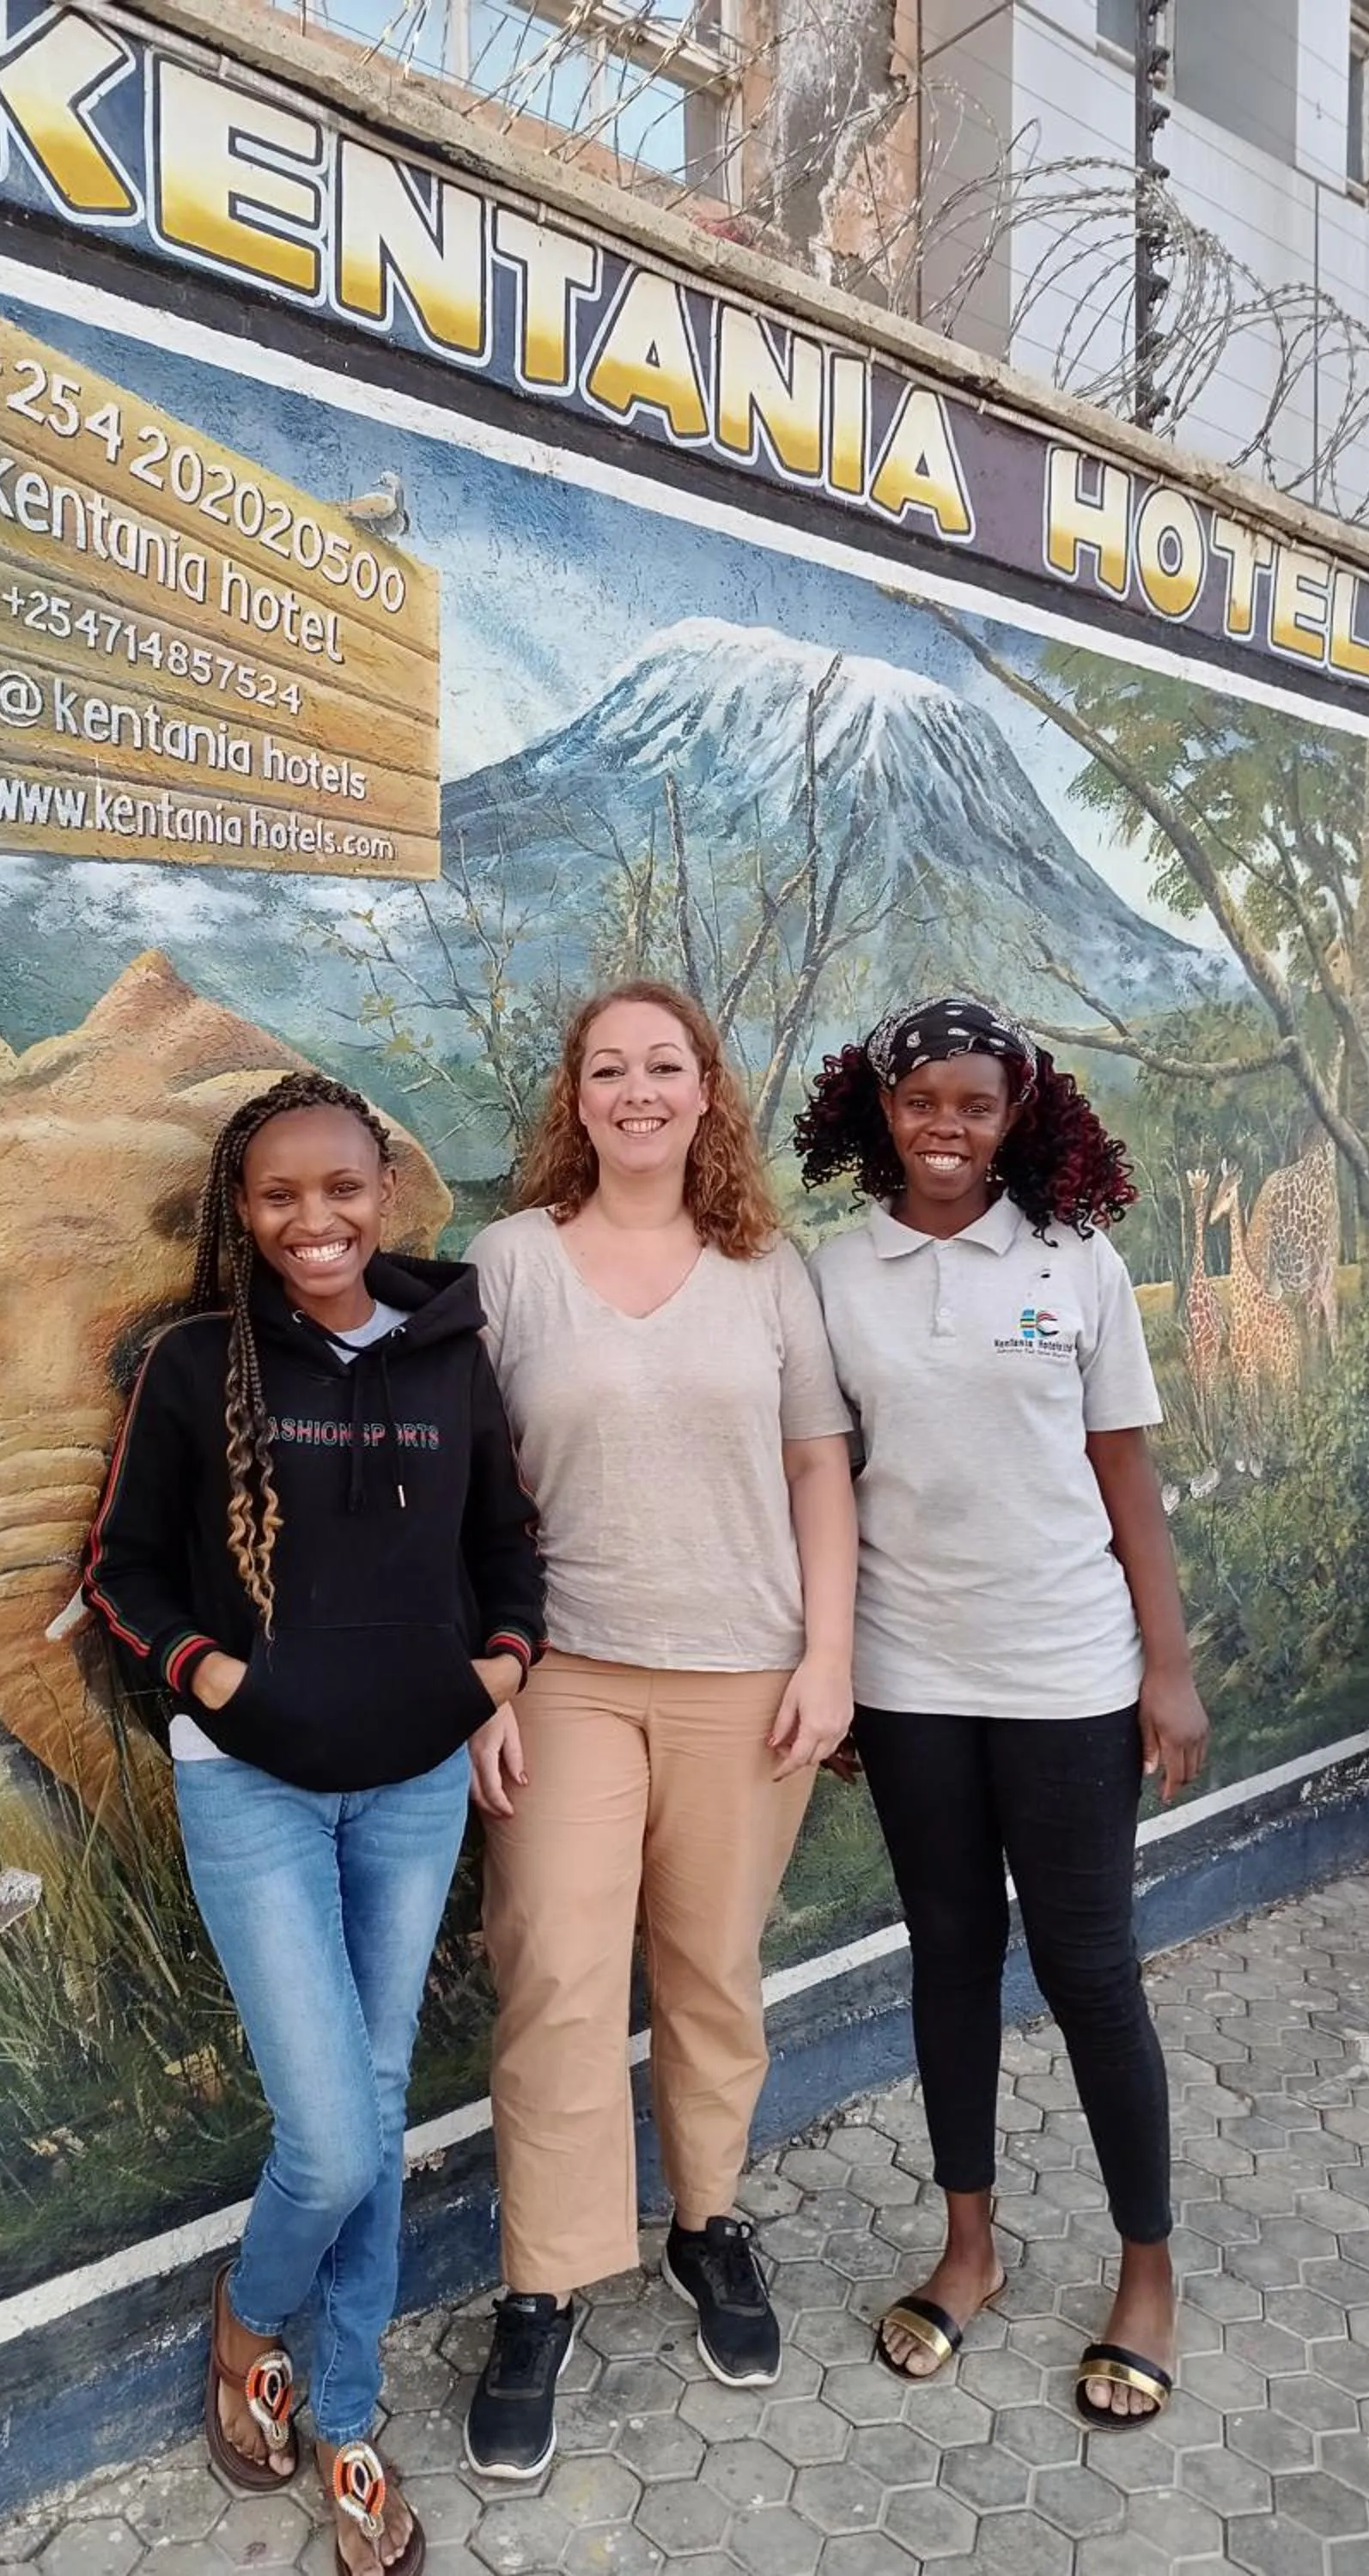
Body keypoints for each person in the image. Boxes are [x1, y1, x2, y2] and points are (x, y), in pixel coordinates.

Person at [82, 1072, 545, 2573]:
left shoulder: (448, 1353)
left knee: (377, 2105)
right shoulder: (194, 1362)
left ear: (387, 1189)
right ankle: (248, 2320)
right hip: (254, 1792)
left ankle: (344, 2418)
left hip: (411, 1791)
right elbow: (120, 1571)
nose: (313, 1220)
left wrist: (495, 1668)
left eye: (340, 1188)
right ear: (241, 1210)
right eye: (278, 1195)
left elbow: (509, 1547)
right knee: (335, 2141)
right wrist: (205, 1671)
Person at [461, 980, 857, 2480]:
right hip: (563, 1676)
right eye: (608, 1068)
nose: (637, 1091)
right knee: (556, 1970)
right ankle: (542, 2282)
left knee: (711, 1972)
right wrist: (482, 1683)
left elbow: (820, 1468)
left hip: (744, 1678)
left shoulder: (766, 1270)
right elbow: (465, 1495)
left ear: (707, 1094)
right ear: (575, 1097)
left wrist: (828, 1658)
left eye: (665, 1066)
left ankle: (706, 2225)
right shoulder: (510, 1268)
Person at [795, 997, 1209, 2430]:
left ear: (1016, 1113)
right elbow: (820, 1491)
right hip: (910, 1679)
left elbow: (1124, 1474)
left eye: (974, 1106)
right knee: (951, 1960)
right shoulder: (834, 1274)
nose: (946, 1131)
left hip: (1064, 1675)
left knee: (1092, 1972)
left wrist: (1166, 1667)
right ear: (877, 1111)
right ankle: (968, 2248)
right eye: (921, 1106)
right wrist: (829, 1664)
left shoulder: (1074, 1261)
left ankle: (1143, 2271)